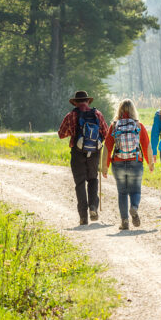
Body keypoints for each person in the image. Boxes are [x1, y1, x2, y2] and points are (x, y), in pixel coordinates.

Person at [101, 99, 154, 230]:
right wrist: (150, 163)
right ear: (133, 110)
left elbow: (107, 147)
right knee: (135, 190)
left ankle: (124, 221)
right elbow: (146, 145)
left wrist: (104, 166)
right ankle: (134, 208)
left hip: (118, 163)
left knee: (122, 193)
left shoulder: (114, 126)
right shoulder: (138, 126)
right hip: (135, 161)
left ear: (119, 110)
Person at [58, 90, 108, 225]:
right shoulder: (97, 114)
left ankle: (83, 217)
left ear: (75, 102)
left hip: (77, 152)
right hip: (94, 152)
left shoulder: (70, 116)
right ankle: (93, 207)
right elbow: (106, 133)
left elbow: (61, 134)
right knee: (92, 179)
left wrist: (73, 132)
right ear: (88, 101)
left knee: (80, 183)